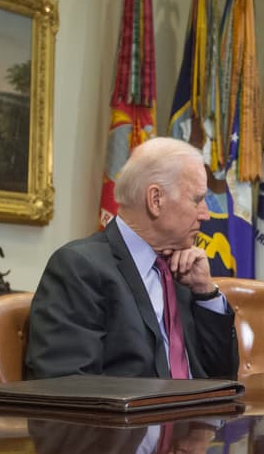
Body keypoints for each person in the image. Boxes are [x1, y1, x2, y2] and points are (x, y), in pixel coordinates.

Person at [26, 137, 239, 380]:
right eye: (197, 200)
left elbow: (224, 377)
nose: (206, 215)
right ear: (156, 200)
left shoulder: (184, 271)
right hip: (135, 406)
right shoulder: (79, 268)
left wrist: (205, 292)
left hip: (201, 406)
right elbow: (67, 384)